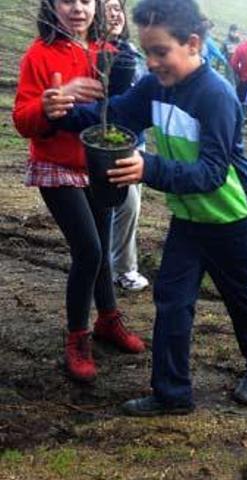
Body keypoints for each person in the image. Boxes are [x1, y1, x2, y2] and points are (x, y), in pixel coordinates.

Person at [43, 0, 247, 415]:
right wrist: (62, 115)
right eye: (147, 51)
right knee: (171, 300)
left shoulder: (216, 96)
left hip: (230, 218)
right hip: (187, 219)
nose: (151, 62)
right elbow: (115, 116)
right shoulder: (154, 86)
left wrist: (147, 167)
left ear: (192, 44)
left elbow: (210, 172)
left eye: (161, 52)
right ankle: (172, 393)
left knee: (243, 296)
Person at [13, 0, 146, 383]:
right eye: (67, 0)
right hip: (56, 165)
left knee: (102, 248)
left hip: (98, 164)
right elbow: (23, 120)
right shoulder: (40, 54)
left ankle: (108, 319)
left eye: (86, 0)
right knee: (88, 250)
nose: (77, 8)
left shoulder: (107, 51)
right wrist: (47, 104)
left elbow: (122, 103)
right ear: (51, 7)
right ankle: (77, 337)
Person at [104, 0, 151, 292]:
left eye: (118, 8)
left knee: (130, 208)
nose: (114, 14)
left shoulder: (131, 51)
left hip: (137, 140)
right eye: (106, 8)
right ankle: (123, 269)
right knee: (126, 206)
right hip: (108, 144)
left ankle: (113, 263)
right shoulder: (95, 53)